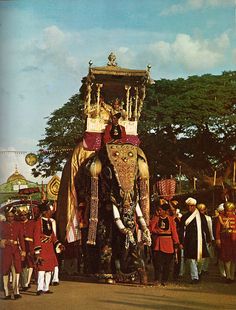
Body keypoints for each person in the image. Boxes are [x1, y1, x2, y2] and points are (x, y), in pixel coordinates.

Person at [34, 201, 64, 295]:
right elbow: (36, 237)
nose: (51, 212)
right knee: (42, 269)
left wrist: (59, 244)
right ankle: (39, 288)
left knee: (49, 269)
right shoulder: (39, 222)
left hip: (50, 248)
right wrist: (37, 253)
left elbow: (53, 236)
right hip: (42, 248)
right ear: (45, 212)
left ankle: (46, 288)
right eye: (50, 210)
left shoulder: (50, 222)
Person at [179, 197, 210, 284]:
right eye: (188, 206)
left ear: (195, 206)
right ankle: (194, 277)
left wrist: (208, 239)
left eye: (192, 206)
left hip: (200, 241)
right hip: (190, 241)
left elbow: (205, 228)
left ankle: (199, 273)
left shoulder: (201, 216)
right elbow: (181, 230)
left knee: (200, 260)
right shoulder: (185, 217)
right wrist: (181, 242)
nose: (190, 208)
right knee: (191, 260)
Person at [149, 203, 179, 286]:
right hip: (159, 242)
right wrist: (157, 231)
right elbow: (151, 228)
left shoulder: (170, 219)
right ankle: (157, 279)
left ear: (166, 211)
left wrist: (176, 242)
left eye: (161, 210)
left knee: (167, 264)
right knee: (157, 263)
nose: (159, 211)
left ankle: (164, 279)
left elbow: (174, 232)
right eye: (159, 210)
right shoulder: (156, 218)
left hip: (169, 243)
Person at [0, 207, 26, 299]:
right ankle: (7, 293)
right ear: (6, 216)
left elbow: (21, 239)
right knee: (5, 272)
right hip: (5, 251)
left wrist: (23, 251)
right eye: (8, 216)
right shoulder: (1, 224)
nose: (10, 218)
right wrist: (3, 242)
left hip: (15, 251)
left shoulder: (18, 225)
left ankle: (16, 292)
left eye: (11, 216)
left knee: (17, 271)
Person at [215, 202, 236, 283]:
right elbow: (217, 230)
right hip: (225, 241)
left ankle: (232, 276)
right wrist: (218, 239)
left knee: (233, 259)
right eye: (227, 210)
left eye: (230, 211)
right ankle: (228, 276)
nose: (228, 212)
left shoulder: (235, 217)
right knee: (226, 259)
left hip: (234, 241)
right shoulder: (220, 217)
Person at [17, 206, 36, 291]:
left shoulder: (32, 223)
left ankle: (27, 282)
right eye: (21, 215)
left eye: (25, 214)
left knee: (30, 264)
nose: (23, 216)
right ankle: (24, 282)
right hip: (21, 245)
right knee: (22, 264)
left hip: (31, 245)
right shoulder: (18, 224)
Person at [197, 203, 214, 275]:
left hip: (206, 236)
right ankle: (199, 270)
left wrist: (210, 238)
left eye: (202, 210)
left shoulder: (208, 218)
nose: (201, 211)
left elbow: (209, 229)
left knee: (207, 254)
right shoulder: (196, 217)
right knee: (200, 254)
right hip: (198, 237)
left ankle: (204, 268)